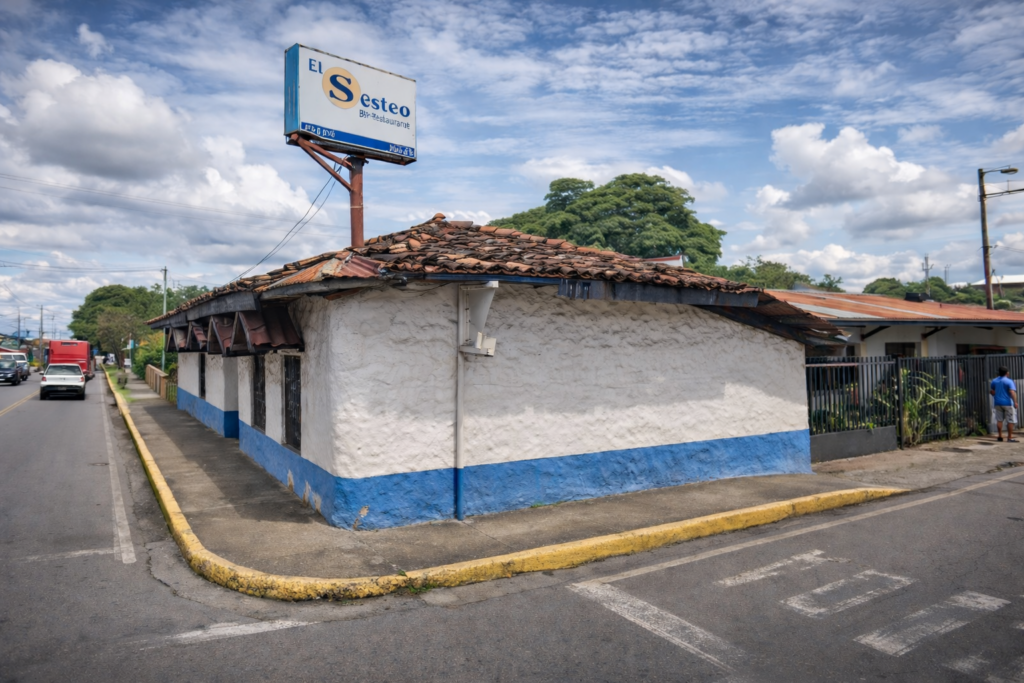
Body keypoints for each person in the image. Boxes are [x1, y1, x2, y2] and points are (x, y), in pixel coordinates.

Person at [990, 366, 1018, 442]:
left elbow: (992, 392)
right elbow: (1012, 392)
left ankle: (999, 436)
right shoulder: (1009, 381)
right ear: (1007, 373)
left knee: (999, 420)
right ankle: (1010, 437)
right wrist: (1015, 402)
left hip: (997, 403)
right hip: (1008, 403)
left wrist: (996, 395)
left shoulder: (994, 381)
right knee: (1010, 420)